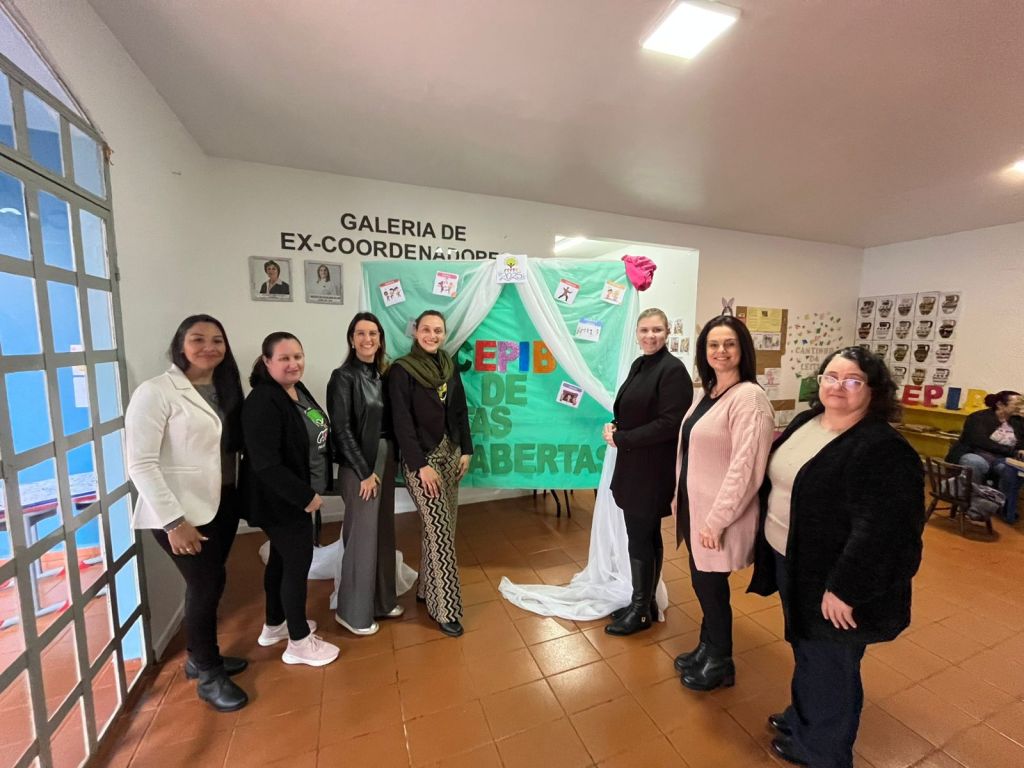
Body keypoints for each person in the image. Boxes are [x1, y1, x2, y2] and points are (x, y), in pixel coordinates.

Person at [749, 346, 924, 768]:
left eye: (852, 380)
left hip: (835, 581)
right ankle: (803, 717)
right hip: (795, 563)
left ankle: (823, 750)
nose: (838, 387)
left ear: (874, 390)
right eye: (831, 376)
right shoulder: (808, 422)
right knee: (806, 648)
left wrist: (846, 589)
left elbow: (888, 532)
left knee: (832, 663)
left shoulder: (882, 447)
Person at [125, 314, 248, 712]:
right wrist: (174, 522)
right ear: (180, 345)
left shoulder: (226, 389)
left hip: (222, 502)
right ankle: (209, 674)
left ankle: (199, 656)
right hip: (182, 512)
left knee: (212, 580)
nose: (208, 347)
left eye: (217, 340)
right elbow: (140, 463)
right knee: (205, 585)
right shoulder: (155, 391)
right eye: (198, 339)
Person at [671, 315, 774, 691]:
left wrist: (717, 520)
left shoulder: (750, 398)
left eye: (729, 344)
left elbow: (746, 469)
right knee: (703, 583)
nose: (721, 351)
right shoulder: (709, 391)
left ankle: (721, 661)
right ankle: (707, 646)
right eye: (713, 344)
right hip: (695, 508)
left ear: (743, 349)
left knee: (711, 588)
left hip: (719, 515)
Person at [242, 332, 340, 666]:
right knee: (297, 564)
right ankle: (298, 642)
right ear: (267, 361)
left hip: (295, 495)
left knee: (281, 560)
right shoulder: (262, 401)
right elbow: (266, 464)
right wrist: (305, 497)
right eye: (284, 358)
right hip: (280, 500)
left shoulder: (295, 389)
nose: (293, 363)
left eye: (297, 356)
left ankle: (275, 624)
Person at [603, 308, 693, 635]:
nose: (650, 336)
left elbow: (670, 424)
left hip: (651, 470)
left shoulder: (673, 370)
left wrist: (623, 438)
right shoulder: (640, 365)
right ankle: (645, 604)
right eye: (644, 330)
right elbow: (633, 409)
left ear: (667, 333)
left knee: (641, 538)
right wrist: (615, 425)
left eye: (657, 330)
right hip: (634, 465)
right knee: (645, 536)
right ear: (637, 333)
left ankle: (640, 609)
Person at [388, 310, 473, 637]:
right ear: (416, 331)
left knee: (442, 528)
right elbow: (401, 422)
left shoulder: (449, 365)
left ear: (444, 334)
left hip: (450, 455)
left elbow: (460, 409)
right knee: (440, 534)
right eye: (426, 329)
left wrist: (466, 449)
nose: (432, 335)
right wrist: (420, 465)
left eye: (438, 330)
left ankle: (426, 589)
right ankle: (445, 609)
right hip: (422, 461)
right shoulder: (402, 370)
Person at [327, 312, 401, 636]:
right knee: (361, 538)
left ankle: (382, 601)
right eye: (361, 333)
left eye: (373, 333)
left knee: (382, 533)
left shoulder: (383, 375)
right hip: (360, 466)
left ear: (380, 339)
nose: (367, 339)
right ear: (351, 339)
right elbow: (341, 429)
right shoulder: (343, 377)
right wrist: (364, 471)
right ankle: (352, 612)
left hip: (385, 459)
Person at [945, 390, 1024, 523]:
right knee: (974, 463)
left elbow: (1021, 441)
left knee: (1011, 470)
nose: (1019, 407)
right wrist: (1011, 451)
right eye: (1016, 404)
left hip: (1002, 458)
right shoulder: (978, 417)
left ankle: (1004, 507)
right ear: (1000, 404)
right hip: (976, 453)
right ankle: (971, 506)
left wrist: (1020, 449)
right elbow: (979, 441)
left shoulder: (1018, 421)